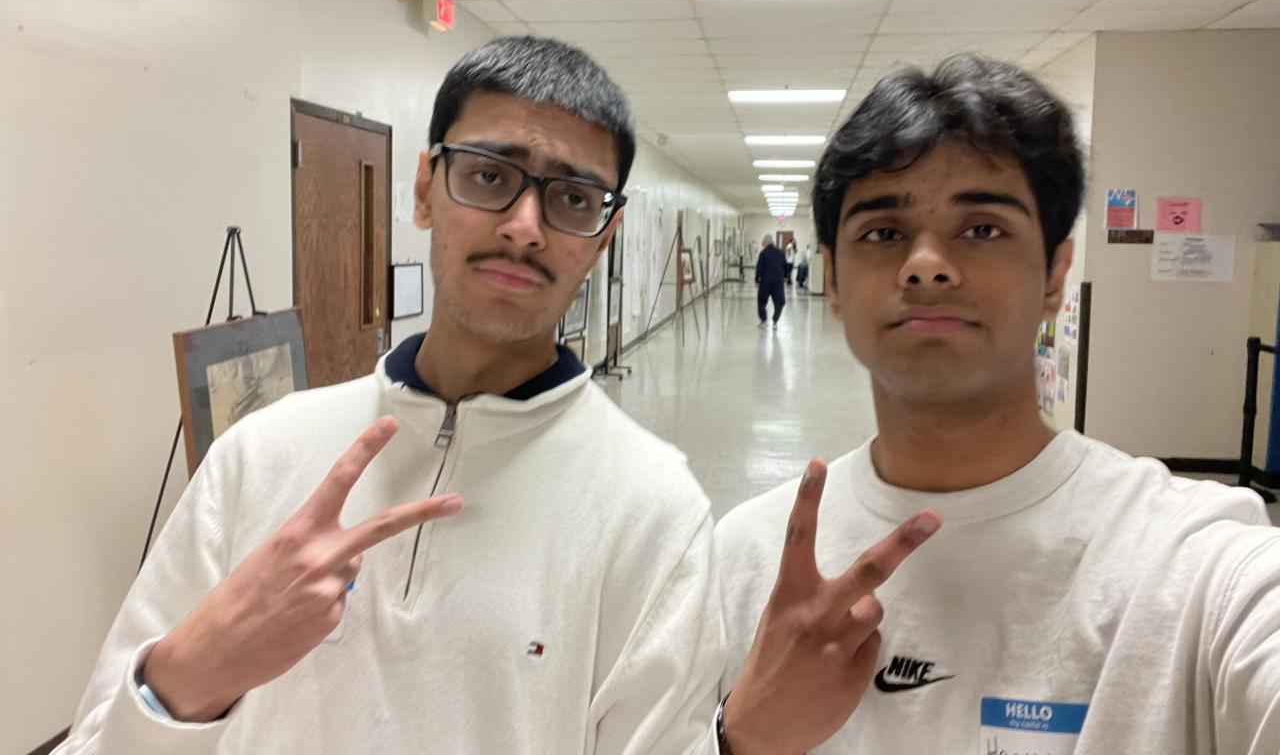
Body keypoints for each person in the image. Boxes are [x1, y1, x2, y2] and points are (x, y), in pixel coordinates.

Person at [58, 37, 724, 755]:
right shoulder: (260, 455)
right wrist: (195, 675)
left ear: (603, 237)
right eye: (489, 175)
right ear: (424, 190)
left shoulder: (653, 512)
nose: (524, 227)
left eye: (572, 198)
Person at [712, 55, 1280, 754]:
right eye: (883, 233)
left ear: (1055, 273)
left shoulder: (1193, 568)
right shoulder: (747, 561)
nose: (926, 265)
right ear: (833, 279)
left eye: (982, 228)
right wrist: (740, 738)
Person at [754, 234, 786, 329]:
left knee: (761, 302)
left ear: (766, 243)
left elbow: (759, 267)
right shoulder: (780, 253)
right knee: (780, 302)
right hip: (778, 282)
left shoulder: (763, 253)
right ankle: (775, 321)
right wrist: (786, 276)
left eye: (763, 244)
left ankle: (763, 321)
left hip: (765, 282)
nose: (763, 246)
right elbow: (785, 265)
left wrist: (757, 279)